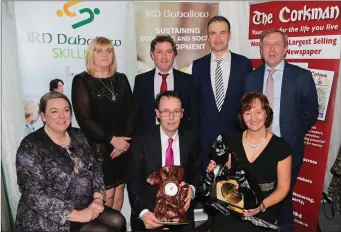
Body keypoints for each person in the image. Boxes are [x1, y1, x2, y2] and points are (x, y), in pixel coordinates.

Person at [15, 92, 126, 232]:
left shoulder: (78, 135)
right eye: (54, 111)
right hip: (49, 216)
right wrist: (77, 215)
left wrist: (98, 198)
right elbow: (33, 194)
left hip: (85, 204)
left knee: (118, 220)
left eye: (66, 110)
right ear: (43, 116)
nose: (62, 116)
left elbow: (95, 168)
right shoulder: (30, 145)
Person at [245, 29, 318, 232]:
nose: (272, 49)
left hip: (288, 148)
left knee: (283, 197)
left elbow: (310, 113)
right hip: (257, 148)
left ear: (286, 49)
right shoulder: (251, 78)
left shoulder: (302, 77)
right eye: (267, 45)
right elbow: (246, 113)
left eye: (277, 44)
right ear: (260, 49)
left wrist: (292, 132)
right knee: (258, 196)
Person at [192, 15, 253, 231]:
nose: (217, 38)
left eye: (222, 32)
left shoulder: (244, 63)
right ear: (207, 37)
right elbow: (195, 104)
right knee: (209, 187)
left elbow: (247, 103)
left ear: (229, 35)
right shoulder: (197, 66)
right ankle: (213, 222)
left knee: (233, 188)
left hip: (235, 137)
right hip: (206, 137)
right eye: (212, 33)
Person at [203, 92, 292, 231]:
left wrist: (261, 206)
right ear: (242, 116)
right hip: (232, 208)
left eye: (258, 112)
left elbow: (283, 188)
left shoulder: (281, 147)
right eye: (247, 113)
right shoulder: (230, 141)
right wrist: (214, 170)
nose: (253, 118)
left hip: (263, 210)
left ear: (266, 114)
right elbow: (221, 179)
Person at [71, 36, 134, 211]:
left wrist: (124, 143)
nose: (105, 55)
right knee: (107, 193)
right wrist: (112, 140)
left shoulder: (121, 79)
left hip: (122, 147)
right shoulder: (82, 80)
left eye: (109, 50)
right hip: (98, 147)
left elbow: (131, 112)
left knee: (120, 188)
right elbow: (84, 119)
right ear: (91, 54)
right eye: (99, 51)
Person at [127, 91, 202, 231]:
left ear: (182, 113)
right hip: (150, 212)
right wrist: (144, 213)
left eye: (176, 111)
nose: (172, 117)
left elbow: (198, 172)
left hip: (182, 213)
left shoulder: (191, 138)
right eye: (166, 111)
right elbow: (134, 181)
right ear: (157, 113)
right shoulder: (141, 140)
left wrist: (191, 189)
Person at [133, 35, 198, 136]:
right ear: (152, 55)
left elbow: (194, 116)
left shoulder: (187, 80)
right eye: (159, 52)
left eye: (168, 51)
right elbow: (135, 116)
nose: (164, 56)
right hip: (148, 141)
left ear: (174, 55)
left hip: (180, 140)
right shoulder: (141, 81)